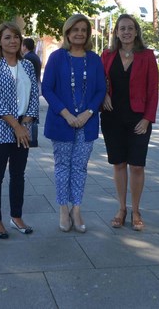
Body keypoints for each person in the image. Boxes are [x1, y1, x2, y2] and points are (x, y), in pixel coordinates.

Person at [42, 14, 106, 233]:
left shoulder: (94, 59)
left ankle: (76, 209)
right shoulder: (57, 57)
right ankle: (63, 208)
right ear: (67, 32)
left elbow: (100, 90)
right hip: (62, 122)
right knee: (62, 166)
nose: (79, 33)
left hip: (87, 123)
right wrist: (67, 114)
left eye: (84, 30)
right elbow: (47, 88)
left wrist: (88, 113)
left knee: (79, 167)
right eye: (75, 29)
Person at [101, 14, 158, 231]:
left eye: (130, 28)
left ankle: (136, 210)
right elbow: (98, 82)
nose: (126, 32)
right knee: (119, 164)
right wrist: (103, 95)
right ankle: (121, 208)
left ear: (136, 32)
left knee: (136, 165)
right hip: (111, 116)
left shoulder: (147, 56)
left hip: (138, 119)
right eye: (122, 28)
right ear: (116, 32)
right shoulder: (106, 55)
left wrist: (147, 118)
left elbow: (153, 90)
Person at [0, 22, 39, 239]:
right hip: (0, 127)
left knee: (18, 174)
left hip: (23, 128)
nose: (12, 41)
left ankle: (16, 216)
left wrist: (25, 124)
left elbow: (34, 94)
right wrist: (15, 125)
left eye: (16, 37)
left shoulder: (27, 66)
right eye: (7, 37)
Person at [22, 37, 42, 146]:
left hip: (31, 87)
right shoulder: (35, 57)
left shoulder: (28, 58)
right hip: (37, 84)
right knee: (33, 113)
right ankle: (33, 139)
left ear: (24, 46)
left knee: (32, 114)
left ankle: (33, 139)